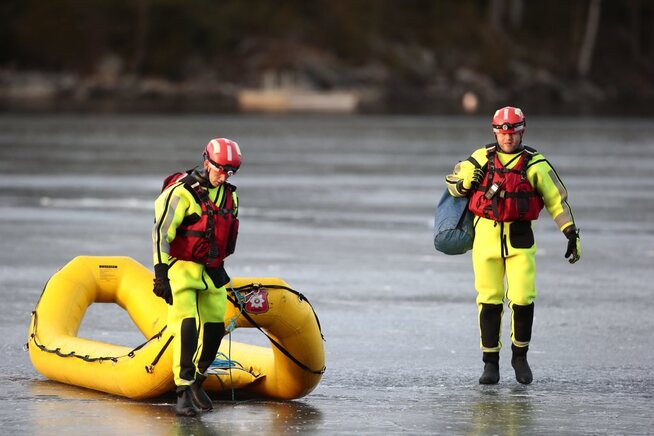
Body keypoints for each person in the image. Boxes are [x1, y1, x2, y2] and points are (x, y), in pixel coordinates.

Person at [445, 106, 581, 385]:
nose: (508, 136)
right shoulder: (481, 157)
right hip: (486, 238)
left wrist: (570, 233)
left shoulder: (535, 164)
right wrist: (463, 183)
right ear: (495, 131)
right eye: (503, 131)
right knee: (489, 300)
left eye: (513, 131)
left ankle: (520, 357)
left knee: (522, 298)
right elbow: (453, 182)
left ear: (522, 131)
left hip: (520, 238)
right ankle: (490, 363)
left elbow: (557, 200)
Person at [152, 138, 241, 415]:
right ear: (207, 162)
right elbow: (160, 235)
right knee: (186, 327)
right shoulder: (180, 194)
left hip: (211, 272)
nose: (224, 176)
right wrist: (160, 274)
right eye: (220, 170)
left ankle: (197, 381)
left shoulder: (230, 195)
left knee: (216, 328)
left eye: (230, 171)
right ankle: (182, 390)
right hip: (181, 270)